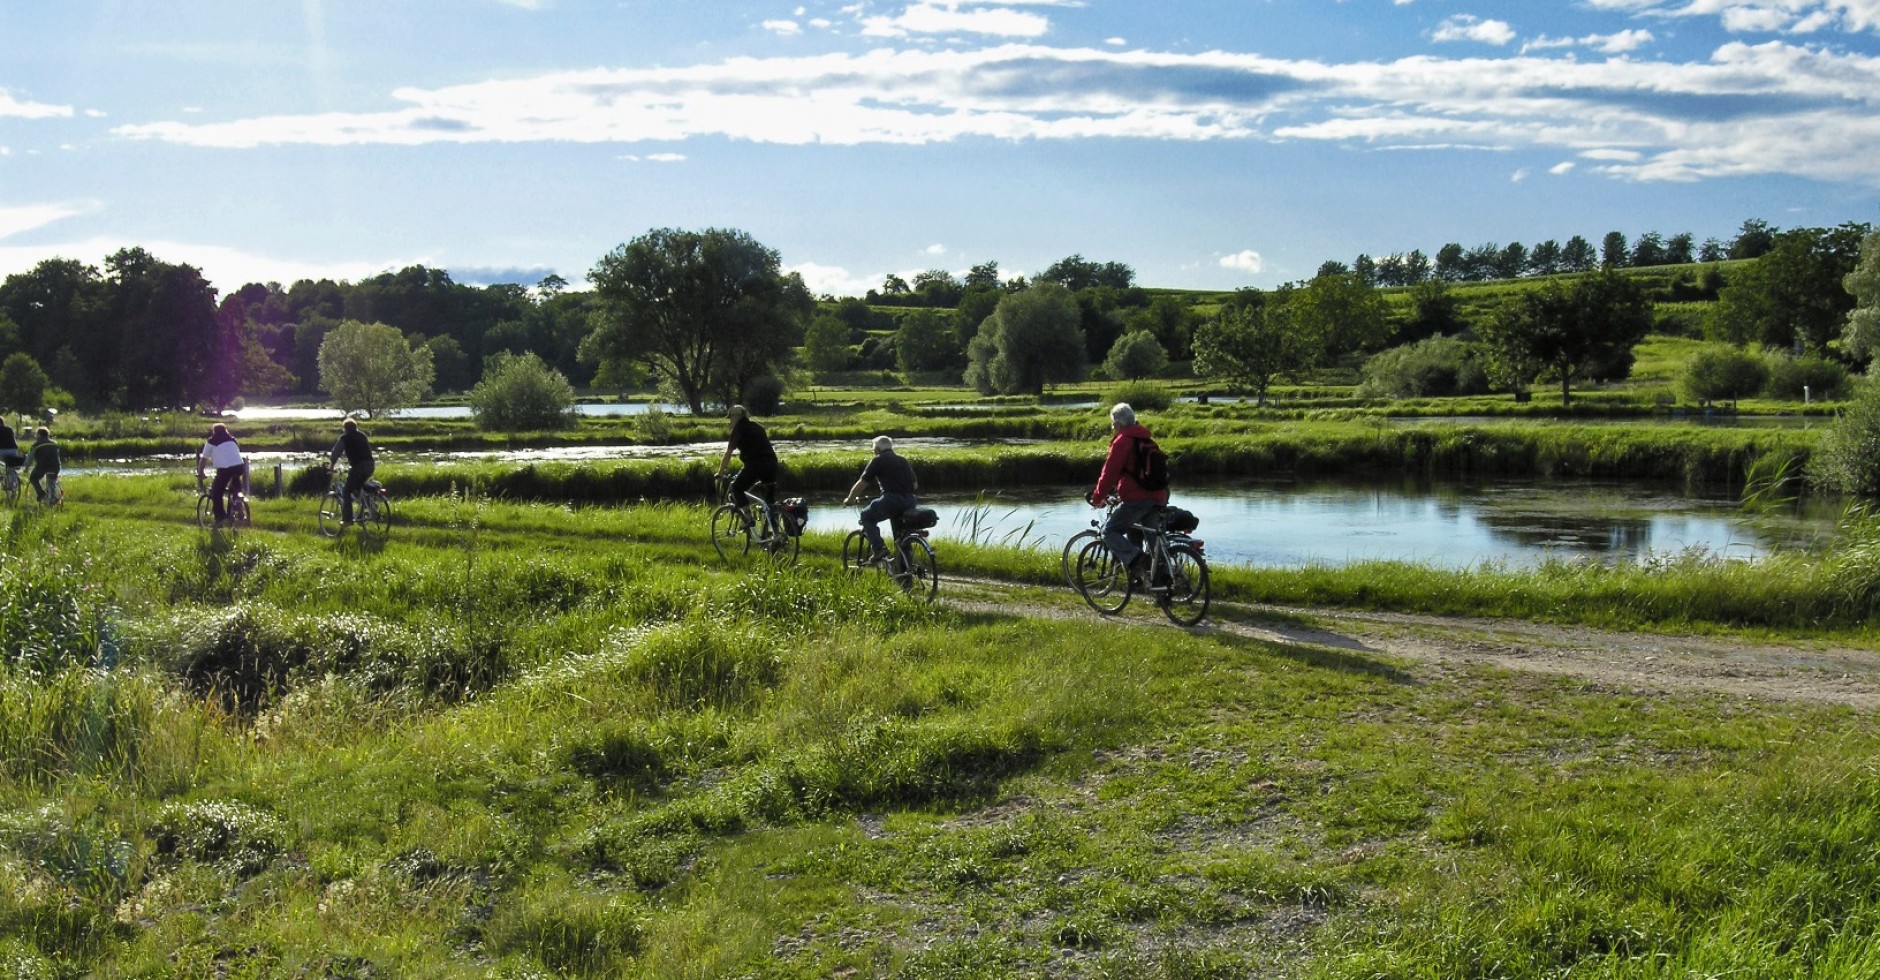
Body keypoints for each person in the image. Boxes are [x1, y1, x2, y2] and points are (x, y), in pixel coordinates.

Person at [1088, 402, 1169, 585]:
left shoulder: (1122, 441)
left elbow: (1109, 473)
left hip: (1137, 499)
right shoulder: (1146, 439)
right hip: (1158, 496)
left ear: (1118, 424)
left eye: (1113, 425)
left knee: (1109, 531)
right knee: (1149, 540)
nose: (1113, 429)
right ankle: (1162, 585)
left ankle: (1135, 559)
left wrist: (1097, 497)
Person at [843, 435, 919, 564]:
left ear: (878, 449)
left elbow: (862, 483)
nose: (874, 451)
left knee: (866, 516)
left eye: (873, 449)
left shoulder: (878, 460)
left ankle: (879, 549)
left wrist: (850, 499)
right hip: (911, 500)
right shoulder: (903, 460)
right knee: (901, 534)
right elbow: (915, 485)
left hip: (892, 500)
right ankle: (904, 564)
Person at [715, 405, 779, 526]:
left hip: (755, 465)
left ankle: (749, 519)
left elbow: (728, 453)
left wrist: (720, 472)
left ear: (737, 416)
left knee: (737, 488)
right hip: (772, 464)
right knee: (770, 502)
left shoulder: (738, 429)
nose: (730, 421)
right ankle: (776, 535)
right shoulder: (758, 427)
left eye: (731, 418)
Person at [195, 422, 248, 526]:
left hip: (224, 470)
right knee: (235, 487)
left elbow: (203, 459)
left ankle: (220, 518)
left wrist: (200, 472)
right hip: (239, 466)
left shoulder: (211, 441)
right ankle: (239, 506)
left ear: (214, 432)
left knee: (217, 492)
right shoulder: (232, 439)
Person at [327, 417, 375, 525]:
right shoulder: (362, 435)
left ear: (345, 428)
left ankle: (347, 520)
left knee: (346, 491)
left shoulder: (345, 438)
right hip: (370, 464)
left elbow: (336, 452)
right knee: (360, 489)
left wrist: (331, 466)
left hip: (359, 466)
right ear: (355, 427)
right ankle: (361, 515)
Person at [27, 427, 59, 504]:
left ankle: (41, 494)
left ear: (39, 435)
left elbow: (30, 459)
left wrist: (26, 468)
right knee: (51, 481)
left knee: (33, 478)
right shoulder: (54, 444)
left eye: (37, 434)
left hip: (42, 467)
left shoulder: (36, 445)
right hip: (55, 466)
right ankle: (53, 498)